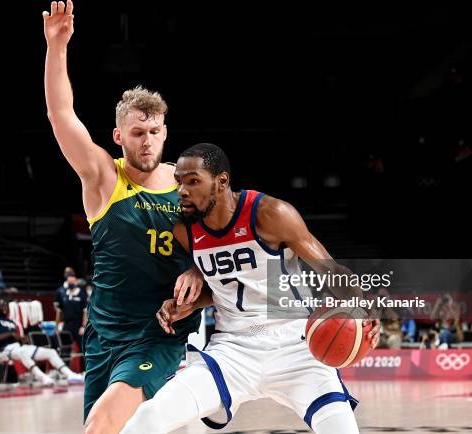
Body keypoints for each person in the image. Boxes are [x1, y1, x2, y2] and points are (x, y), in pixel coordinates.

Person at [122, 143, 381, 434]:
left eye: (193, 181)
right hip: (233, 350)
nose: (182, 190)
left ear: (221, 182)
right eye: (179, 182)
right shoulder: (185, 230)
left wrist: (365, 309)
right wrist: (188, 304)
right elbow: (221, 286)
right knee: (149, 418)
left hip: (296, 346)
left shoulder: (271, 214)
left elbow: (331, 271)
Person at [42, 1, 203, 431]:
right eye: (137, 133)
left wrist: (199, 275)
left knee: (102, 425)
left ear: (165, 132)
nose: (147, 141)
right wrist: (56, 46)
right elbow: (62, 115)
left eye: (154, 132)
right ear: (119, 136)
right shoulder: (102, 177)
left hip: (159, 332)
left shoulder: (190, 186)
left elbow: (225, 246)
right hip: (103, 333)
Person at [0, 297, 83, 386]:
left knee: (51, 352)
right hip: (3, 350)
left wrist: (22, 339)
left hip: (18, 347)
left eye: (6, 305)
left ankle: (70, 374)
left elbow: (17, 339)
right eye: (2, 305)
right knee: (22, 352)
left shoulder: (12, 322)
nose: (4, 307)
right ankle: (42, 377)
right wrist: (10, 334)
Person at [55, 273, 87, 352]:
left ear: (76, 282)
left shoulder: (82, 293)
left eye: (72, 282)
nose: (71, 284)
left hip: (78, 325)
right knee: (65, 348)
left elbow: (85, 311)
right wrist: (57, 324)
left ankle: (83, 364)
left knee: (82, 350)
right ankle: (66, 364)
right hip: (67, 325)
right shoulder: (63, 293)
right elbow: (59, 311)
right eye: (69, 283)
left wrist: (83, 326)